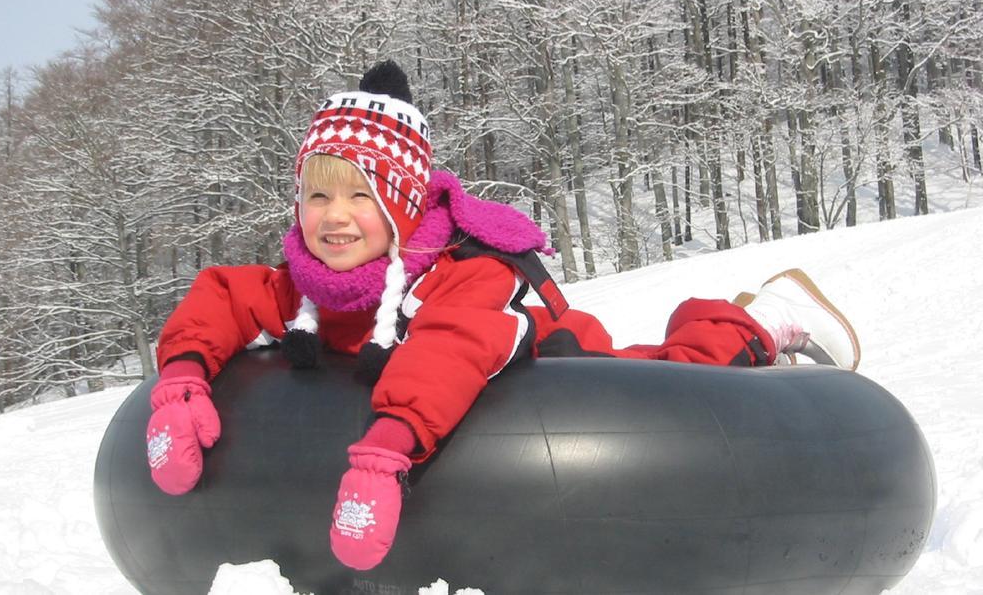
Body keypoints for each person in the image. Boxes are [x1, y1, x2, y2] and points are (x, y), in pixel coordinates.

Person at [144, 60, 860, 571]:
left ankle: (767, 319)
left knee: (679, 379)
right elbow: (226, 293)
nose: (336, 218)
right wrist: (182, 375)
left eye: (361, 197)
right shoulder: (304, 283)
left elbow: (452, 344)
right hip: (465, 386)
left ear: (401, 203)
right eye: (318, 197)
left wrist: (386, 445)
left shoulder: (462, 274)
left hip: (552, 365)